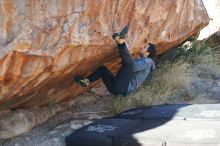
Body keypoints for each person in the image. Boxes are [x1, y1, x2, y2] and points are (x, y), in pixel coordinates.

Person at [75, 27, 156, 96]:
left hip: (123, 88)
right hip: (115, 89)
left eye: (145, 47)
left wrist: (125, 61)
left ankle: (121, 42)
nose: (142, 47)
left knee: (130, 64)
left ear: (147, 53)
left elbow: (132, 67)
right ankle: (87, 81)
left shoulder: (147, 61)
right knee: (103, 70)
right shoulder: (143, 61)